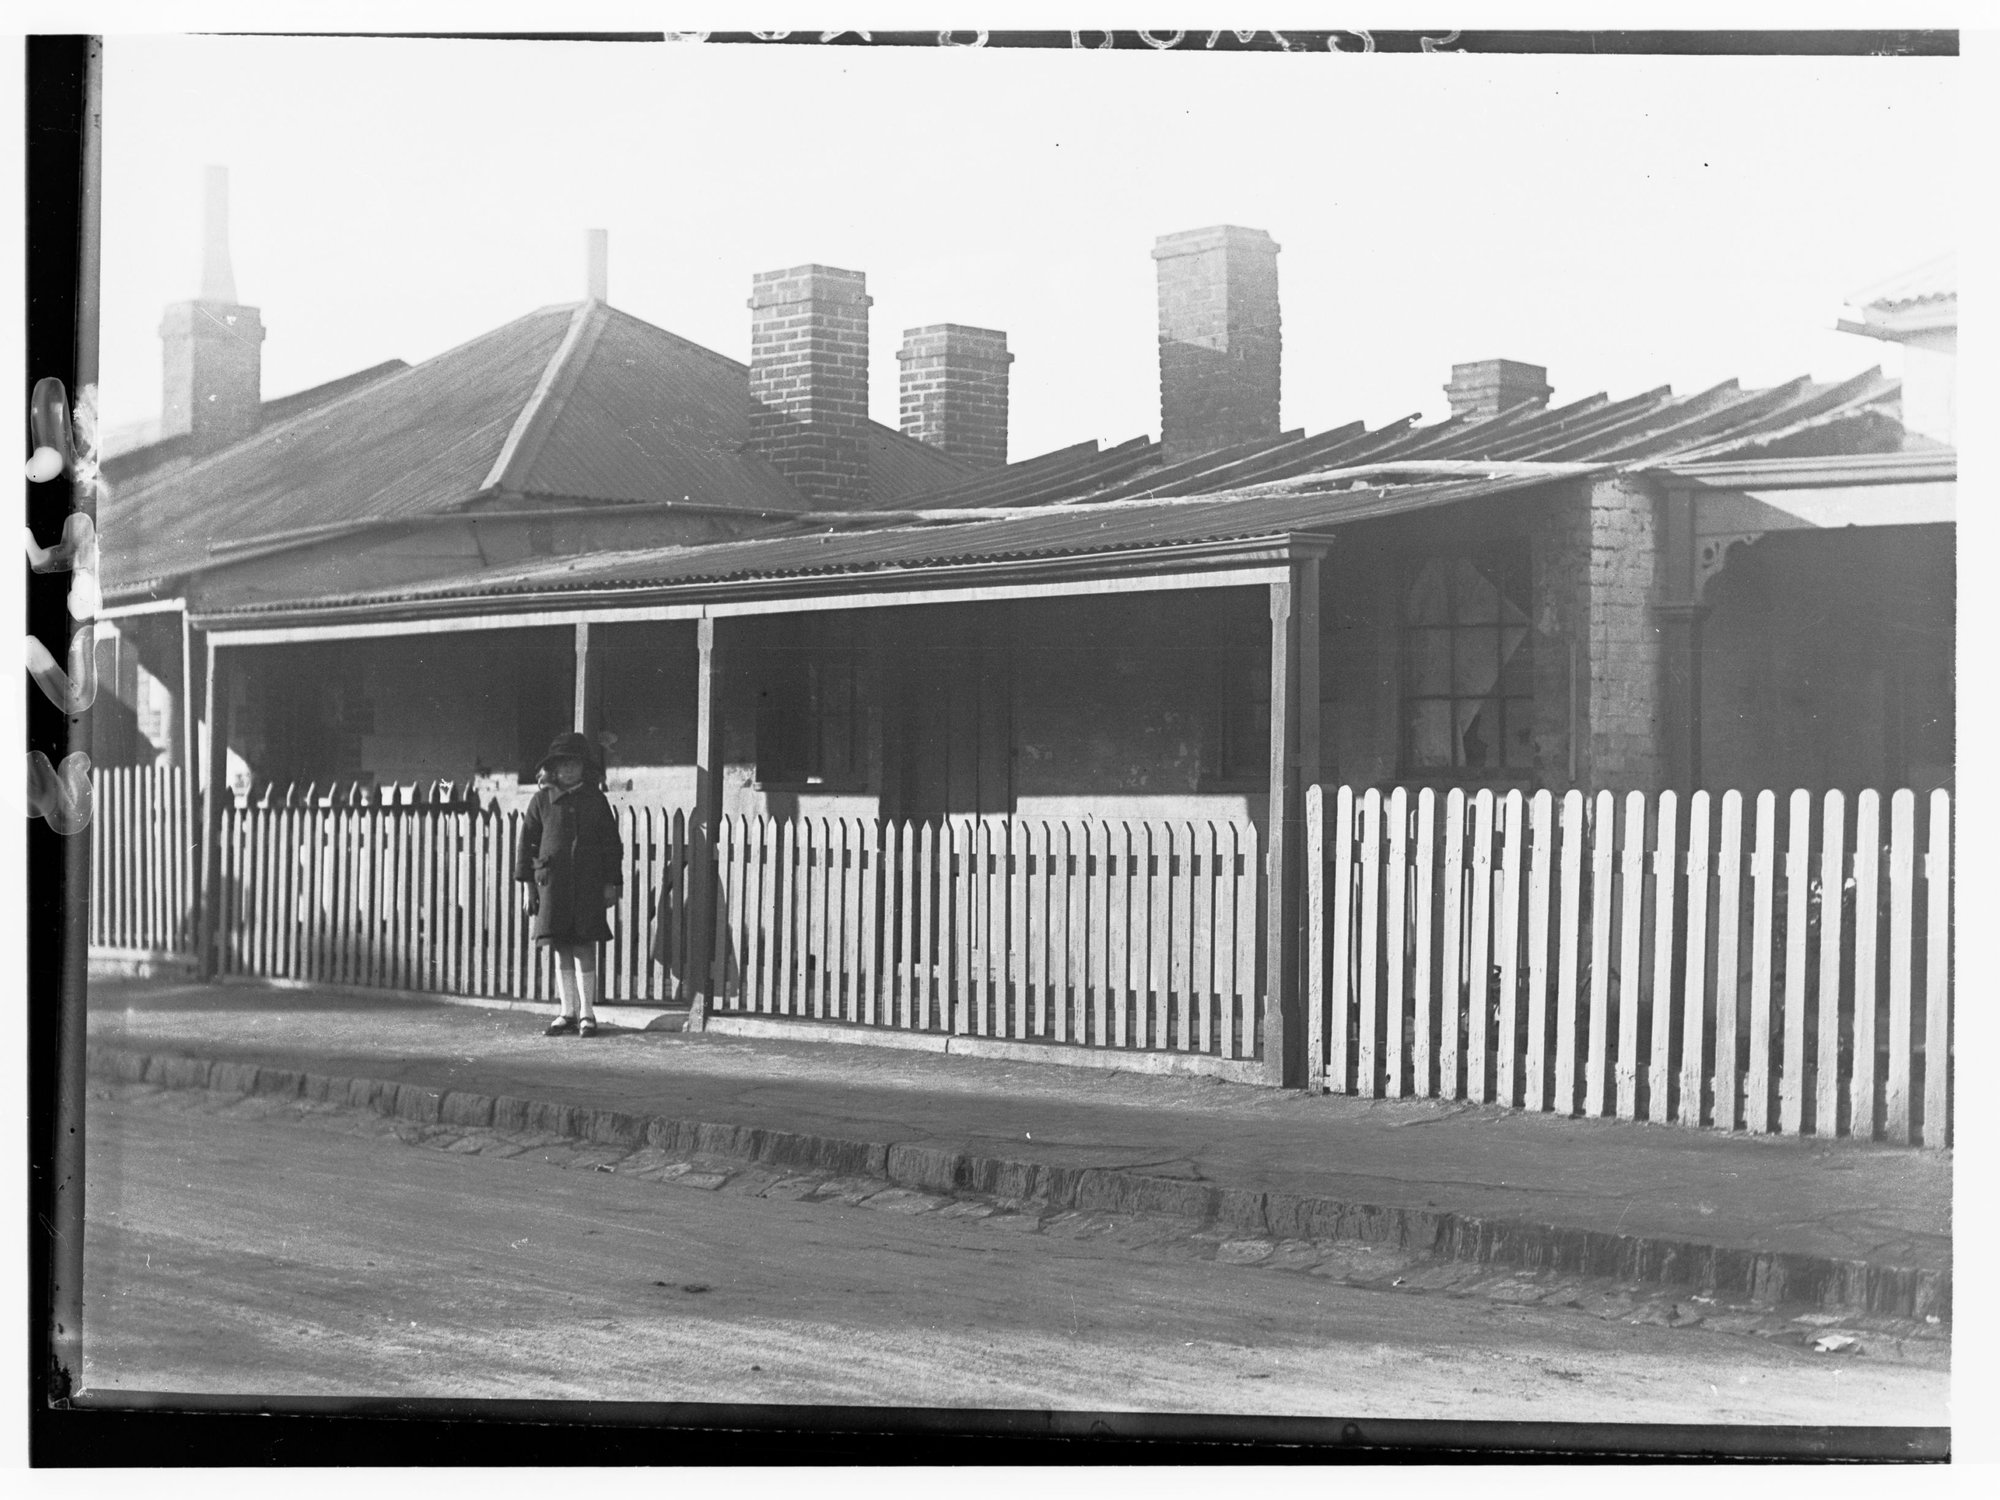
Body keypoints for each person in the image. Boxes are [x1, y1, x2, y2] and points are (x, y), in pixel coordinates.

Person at [515, 731, 622, 1036]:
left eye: (575, 763)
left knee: (584, 943)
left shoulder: (596, 800)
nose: (569, 769)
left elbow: (611, 845)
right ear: (552, 769)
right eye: (563, 764)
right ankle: (567, 1012)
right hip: (553, 885)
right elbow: (527, 845)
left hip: (588, 884)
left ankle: (587, 1013)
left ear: (584, 767)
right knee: (561, 945)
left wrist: (610, 883)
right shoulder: (541, 801)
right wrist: (528, 886)